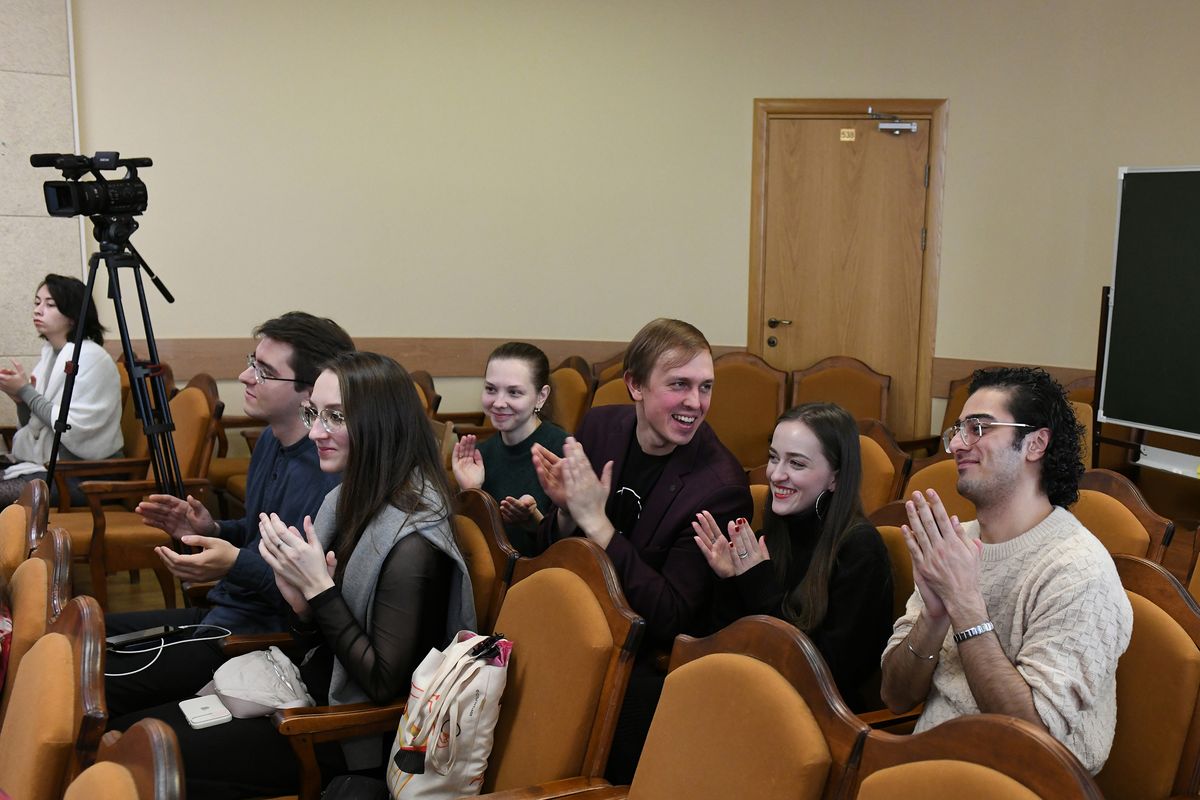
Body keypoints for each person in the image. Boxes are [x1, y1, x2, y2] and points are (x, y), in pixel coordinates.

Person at [109, 352, 475, 799]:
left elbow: (382, 684)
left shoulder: (414, 540)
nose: (315, 431)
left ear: (381, 424)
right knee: (130, 732)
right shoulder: (350, 499)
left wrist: (319, 590)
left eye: (335, 416)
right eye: (313, 413)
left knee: (139, 759)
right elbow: (316, 644)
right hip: (303, 692)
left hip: (343, 735)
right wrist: (302, 608)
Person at [880, 367, 1133, 775]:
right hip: (931, 762)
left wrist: (964, 603)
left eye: (979, 428)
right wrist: (934, 616)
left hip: (1025, 781)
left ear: (1035, 443)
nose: (957, 444)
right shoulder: (955, 546)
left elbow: (1033, 739)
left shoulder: (1079, 570)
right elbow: (895, 697)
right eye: (958, 430)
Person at [532, 318, 752, 783]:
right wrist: (568, 512)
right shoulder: (600, 426)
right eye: (679, 385)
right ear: (635, 385)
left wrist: (598, 524)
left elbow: (672, 615)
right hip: (576, 623)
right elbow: (557, 546)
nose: (695, 403)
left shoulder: (719, 488)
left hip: (644, 661)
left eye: (705, 387)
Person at [105, 312, 354, 719]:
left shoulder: (327, 473)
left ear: (311, 391)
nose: (244, 376)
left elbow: (300, 595)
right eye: (252, 362)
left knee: (95, 679)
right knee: (88, 634)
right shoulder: (271, 440)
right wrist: (213, 528)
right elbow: (259, 534)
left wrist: (233, 562)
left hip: (255, 638)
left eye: (264, 371)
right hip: (223, 614)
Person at [693, 402, 892, 710]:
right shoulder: (771, 535)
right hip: (747, 694)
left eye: (796, 464)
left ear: (835, 478)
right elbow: (725, 644)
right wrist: (729, 581)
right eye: (774, 457)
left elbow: (827, 673)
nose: (776, 474)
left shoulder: (860, 550)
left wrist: (758, 583)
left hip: (815, 713)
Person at [0, 274, 122, 505]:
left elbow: (70, 427)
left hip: (86, 475)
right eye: (37, 303)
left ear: (73, 316)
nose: (38, 310)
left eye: (50, 304)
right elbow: (35, 425)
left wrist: (25, 391)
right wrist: (20, 400)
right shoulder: (50, 355)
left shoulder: (91, 358)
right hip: (52, 468)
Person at [452, 341, 568, 554]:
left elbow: (570, 547)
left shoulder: (562, 451)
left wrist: (535, 522)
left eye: (514, 392)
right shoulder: (481, 454)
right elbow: (473, 543)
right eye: (491, 389)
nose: (498, 402)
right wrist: (470, 491)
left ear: (541, 396)